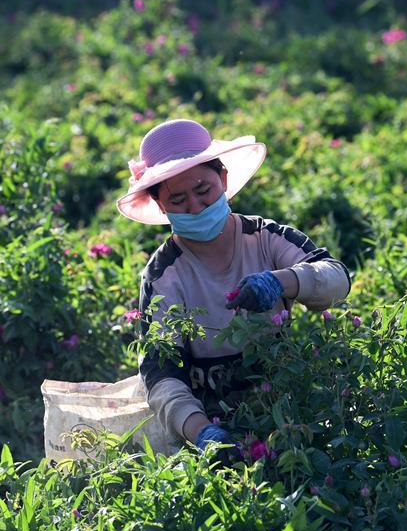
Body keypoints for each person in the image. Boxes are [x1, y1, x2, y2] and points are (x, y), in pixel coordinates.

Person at [116, 118, 351, 462]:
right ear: (161, 207)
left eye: (203, 191)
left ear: (223, 179)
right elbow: (161, 374)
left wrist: (280, 280)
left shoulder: (266, 237)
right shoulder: (164, 275)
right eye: (178, 200)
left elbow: (336, 278)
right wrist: (201, 432)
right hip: (205, 418)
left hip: (282, 409)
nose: (195, 207)